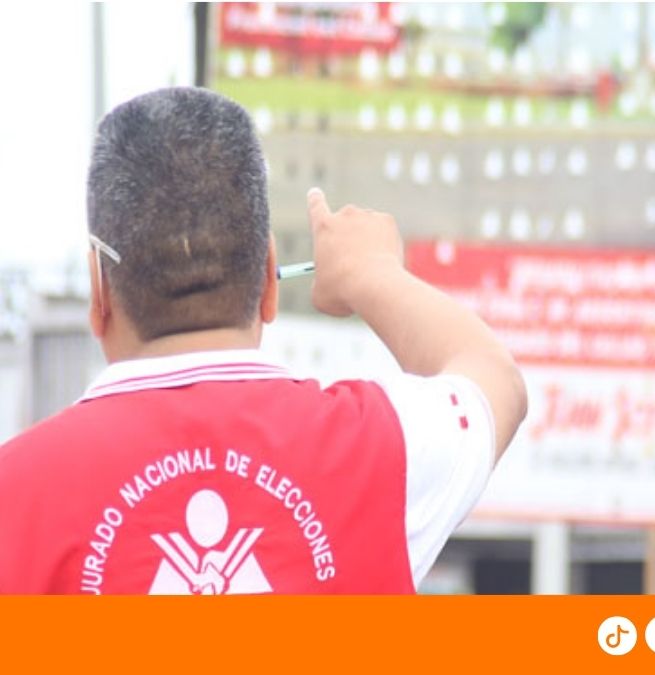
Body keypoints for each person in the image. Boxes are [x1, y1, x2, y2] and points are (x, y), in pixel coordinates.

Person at [0, 87, 527, 594]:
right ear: (269, 280)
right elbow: (494, 378)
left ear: (99, 291)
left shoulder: (16, 495)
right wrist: (368, 273)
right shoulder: (378, 449)